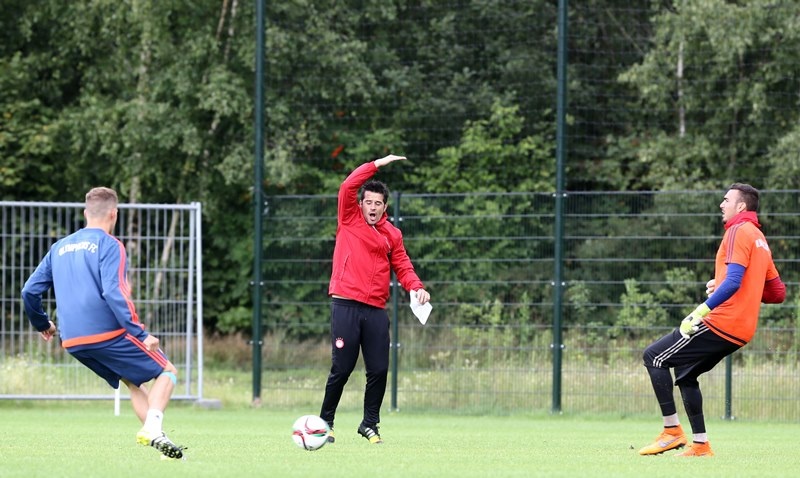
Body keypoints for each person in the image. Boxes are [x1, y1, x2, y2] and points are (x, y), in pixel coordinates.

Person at [21, 187, 185, 460]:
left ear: (86, 213)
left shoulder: (59, 247)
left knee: (134, 382)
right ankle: (154, 428)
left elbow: (29, 291)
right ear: (114, 214)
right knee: (167, 370)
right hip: (106, 333)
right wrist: (139, 332)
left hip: (72, 340)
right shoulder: (111, 245)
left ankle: (159, 440)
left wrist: (43, 324)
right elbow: (114, 292)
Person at [639, 183, 785, 457]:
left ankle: (671, 432)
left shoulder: (737, 231)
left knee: (654, 357)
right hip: (743, 330)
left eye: (726, 199)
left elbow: (732, 283)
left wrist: (699, 312)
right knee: (686, 374)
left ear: (741, 206)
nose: (721, 204)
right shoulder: (759, 238)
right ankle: (701, 445)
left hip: (722, 322)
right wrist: (727, 286)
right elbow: (777, 293)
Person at [319, 154, 431, 444]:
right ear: (361, 204)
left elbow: (403, 266)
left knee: (379, 369)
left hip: (376, 310)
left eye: (377, 203)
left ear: (384, 207)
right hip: (345, 304)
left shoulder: (392, 234)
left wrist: (416, 287)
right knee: (342, 368)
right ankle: (325, 423)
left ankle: (369, 424)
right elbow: (347, 186)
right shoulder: (348, 218)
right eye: (367, 202)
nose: (372, 207)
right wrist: (376, 164)